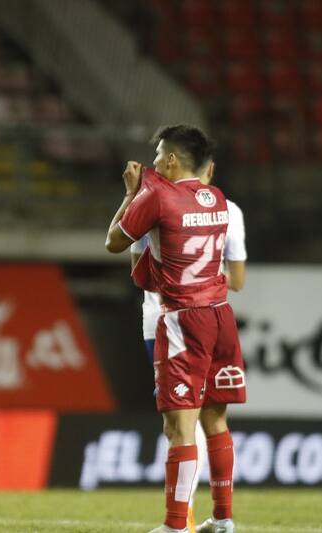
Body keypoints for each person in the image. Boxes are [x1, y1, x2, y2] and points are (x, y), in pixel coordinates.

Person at [106, 125, 246, 533]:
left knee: (178, 426)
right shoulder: (217, 198)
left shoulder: (157, 199)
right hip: (220, 314)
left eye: (157, 157)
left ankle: (174, 526)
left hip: (184, 318)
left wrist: (132, 193)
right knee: (216, 420)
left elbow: (114, 242)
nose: (151, 165)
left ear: (170, 159)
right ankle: (222, 518)